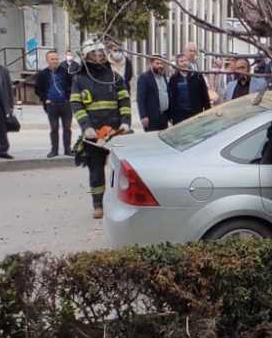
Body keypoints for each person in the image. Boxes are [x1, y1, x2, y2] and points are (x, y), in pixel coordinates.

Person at [71, 38, 131, 217]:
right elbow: (76, 104)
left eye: (100, 53)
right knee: (95, 170)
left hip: (115, 132)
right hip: (94, 134)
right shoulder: (79, 79)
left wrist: (126, 122)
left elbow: (124, 100)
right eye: (93, 53)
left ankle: (117, 202)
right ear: (86, 55)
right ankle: (98, 205)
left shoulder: (114, 77)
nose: (98, 56)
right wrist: (86, 127)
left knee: (118, 170)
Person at [35, 49, 74, 157]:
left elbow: (72, 86)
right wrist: (45, 99)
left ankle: (67, 149)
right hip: (51, 105)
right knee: (54, 128)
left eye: (56, 59)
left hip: (65, 104)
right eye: (52, 59)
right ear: (47, 60)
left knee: (67, 128)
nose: (55, 61)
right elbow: (38, 89)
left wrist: (69, 97)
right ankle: (54, 150)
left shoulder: (65, 72)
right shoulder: (42, 74)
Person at [168, 53, 211, 124]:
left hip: (195, 113)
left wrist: (208, 111)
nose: (184, 63)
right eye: (181, 61)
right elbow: (171, 98)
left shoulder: (197, 76)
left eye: (185, 61)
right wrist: (170, 115)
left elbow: (204, 95)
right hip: (179, 115)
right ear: (177, 64)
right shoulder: (173, 79)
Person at [137, 56, 170, 131]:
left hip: (164, 117)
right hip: (151, 118)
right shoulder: (144, 78)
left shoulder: (163, 76)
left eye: (161, 63)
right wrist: (143, 116)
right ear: (151, 64)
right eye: (157, 63)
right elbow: (141, 99)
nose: (160, 66)